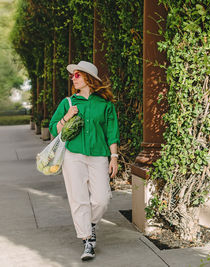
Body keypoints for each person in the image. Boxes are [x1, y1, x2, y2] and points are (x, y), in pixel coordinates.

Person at [49, 61, 120, 261]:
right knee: (78, 198)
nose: (73, 78)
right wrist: (67, 117)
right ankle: (87, 240)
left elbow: (112, 133)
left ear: (88, 78)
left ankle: (89, 224)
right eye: (73, 76)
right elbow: (53, 129)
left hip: (98, 155)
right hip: (73, 156)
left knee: (102, 199)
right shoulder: (68, 103)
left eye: (77, 75)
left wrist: (113, 157)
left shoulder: (105, 105)